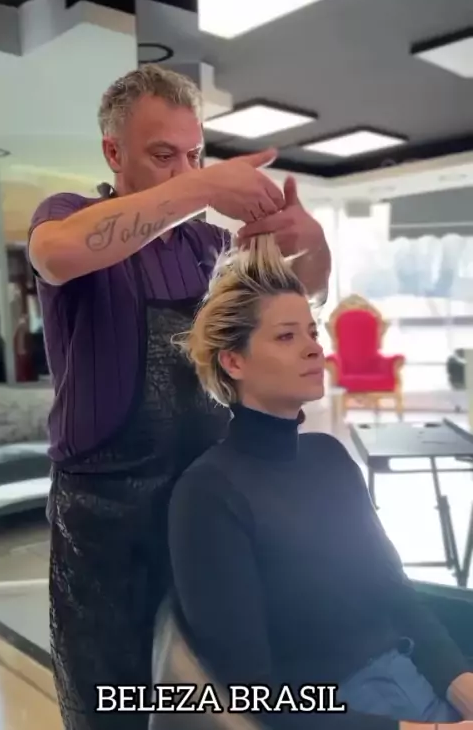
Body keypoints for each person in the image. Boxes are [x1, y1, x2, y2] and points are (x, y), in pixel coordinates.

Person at [28, 64, 330, 730]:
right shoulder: (70, 215)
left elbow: (302, 294)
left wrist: (313, 243)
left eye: (194, 155)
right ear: (113, 152)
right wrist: (203, 186)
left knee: (204, 693)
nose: (183, 170)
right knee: (110, 697)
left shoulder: (211, 248)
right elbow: (56, 255)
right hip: (101, 516)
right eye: (163, 155)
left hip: (205, 499)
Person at [169, 235, 473, 730]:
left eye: (312, 331)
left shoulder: (330, 458)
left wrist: (463, 689)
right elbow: (254, 693)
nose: (314, 347)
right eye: (286, 337)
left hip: (419, 679)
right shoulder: (207, 495)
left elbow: (397, 595)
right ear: (234, 361)